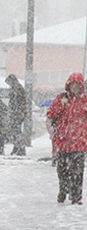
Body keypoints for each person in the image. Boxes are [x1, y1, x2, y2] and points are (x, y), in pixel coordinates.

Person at [47, 72, 87, 205]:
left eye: (77, 84)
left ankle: (76, 197)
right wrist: (61, 105)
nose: (74, 87)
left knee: (77, 171)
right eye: (72, 84)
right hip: (62, 141)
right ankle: (63, 190)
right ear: (68, 85)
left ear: (81, 86)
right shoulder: (62, 98)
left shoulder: (85, 100)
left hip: (79, 141)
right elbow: (51, 115)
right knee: (62, 170)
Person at [5, 74, 27, 156]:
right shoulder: (17, 88)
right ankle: (17, 147)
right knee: (16, 131)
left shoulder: (17, 89)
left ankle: (19, 148)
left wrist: (13, 112)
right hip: (18, 113)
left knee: (16, 131)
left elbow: (15, 103)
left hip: (17, 114)